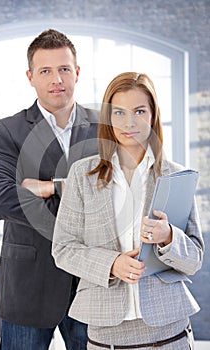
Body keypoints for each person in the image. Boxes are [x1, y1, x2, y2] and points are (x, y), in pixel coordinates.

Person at [52, 72, 204, 349]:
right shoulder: (81, 174)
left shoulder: (176, 176)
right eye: (118, 112)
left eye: (139, 111)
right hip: (106, 333)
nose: (129, 122)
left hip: (170, 332)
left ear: (152, 115)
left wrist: (169, 236)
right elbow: (63, 249)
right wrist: (112, 264)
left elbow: (194, 259)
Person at [0, 29, 99, 350]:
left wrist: (51, 187)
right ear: (30, 77)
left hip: (93, 283)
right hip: (28, 286)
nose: (56, 79)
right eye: (45, 71)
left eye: (63, 69)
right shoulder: (7, 131)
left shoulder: (106, 128)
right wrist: (87, 197)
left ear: (77, 72)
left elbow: (121, 193)